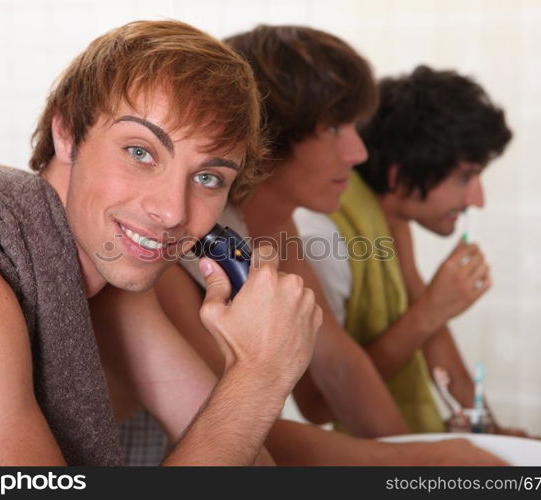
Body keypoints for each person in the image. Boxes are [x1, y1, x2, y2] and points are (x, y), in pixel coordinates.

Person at [0, 20, 322, 466]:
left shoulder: (105, 278)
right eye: (140, 152)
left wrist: (258, 368)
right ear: (67, 133)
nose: (172, 211)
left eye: (208, 178)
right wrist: (259, 376)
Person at [155, 25, 508, 465]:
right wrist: (417, 461)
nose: (359, 152)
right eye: (336, 128)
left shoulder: (279, 226)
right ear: (269, 136)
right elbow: (224, 423)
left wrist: (430, 459)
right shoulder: (178, 244)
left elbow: (340, 365)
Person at [294, 65, 529, 435]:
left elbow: (432, 333)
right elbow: (317, 404)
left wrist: (491, 435)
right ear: (399, 177)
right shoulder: (322, 234)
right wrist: (433, 310)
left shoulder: (393, 220)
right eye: (465, 177)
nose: (478, 199)